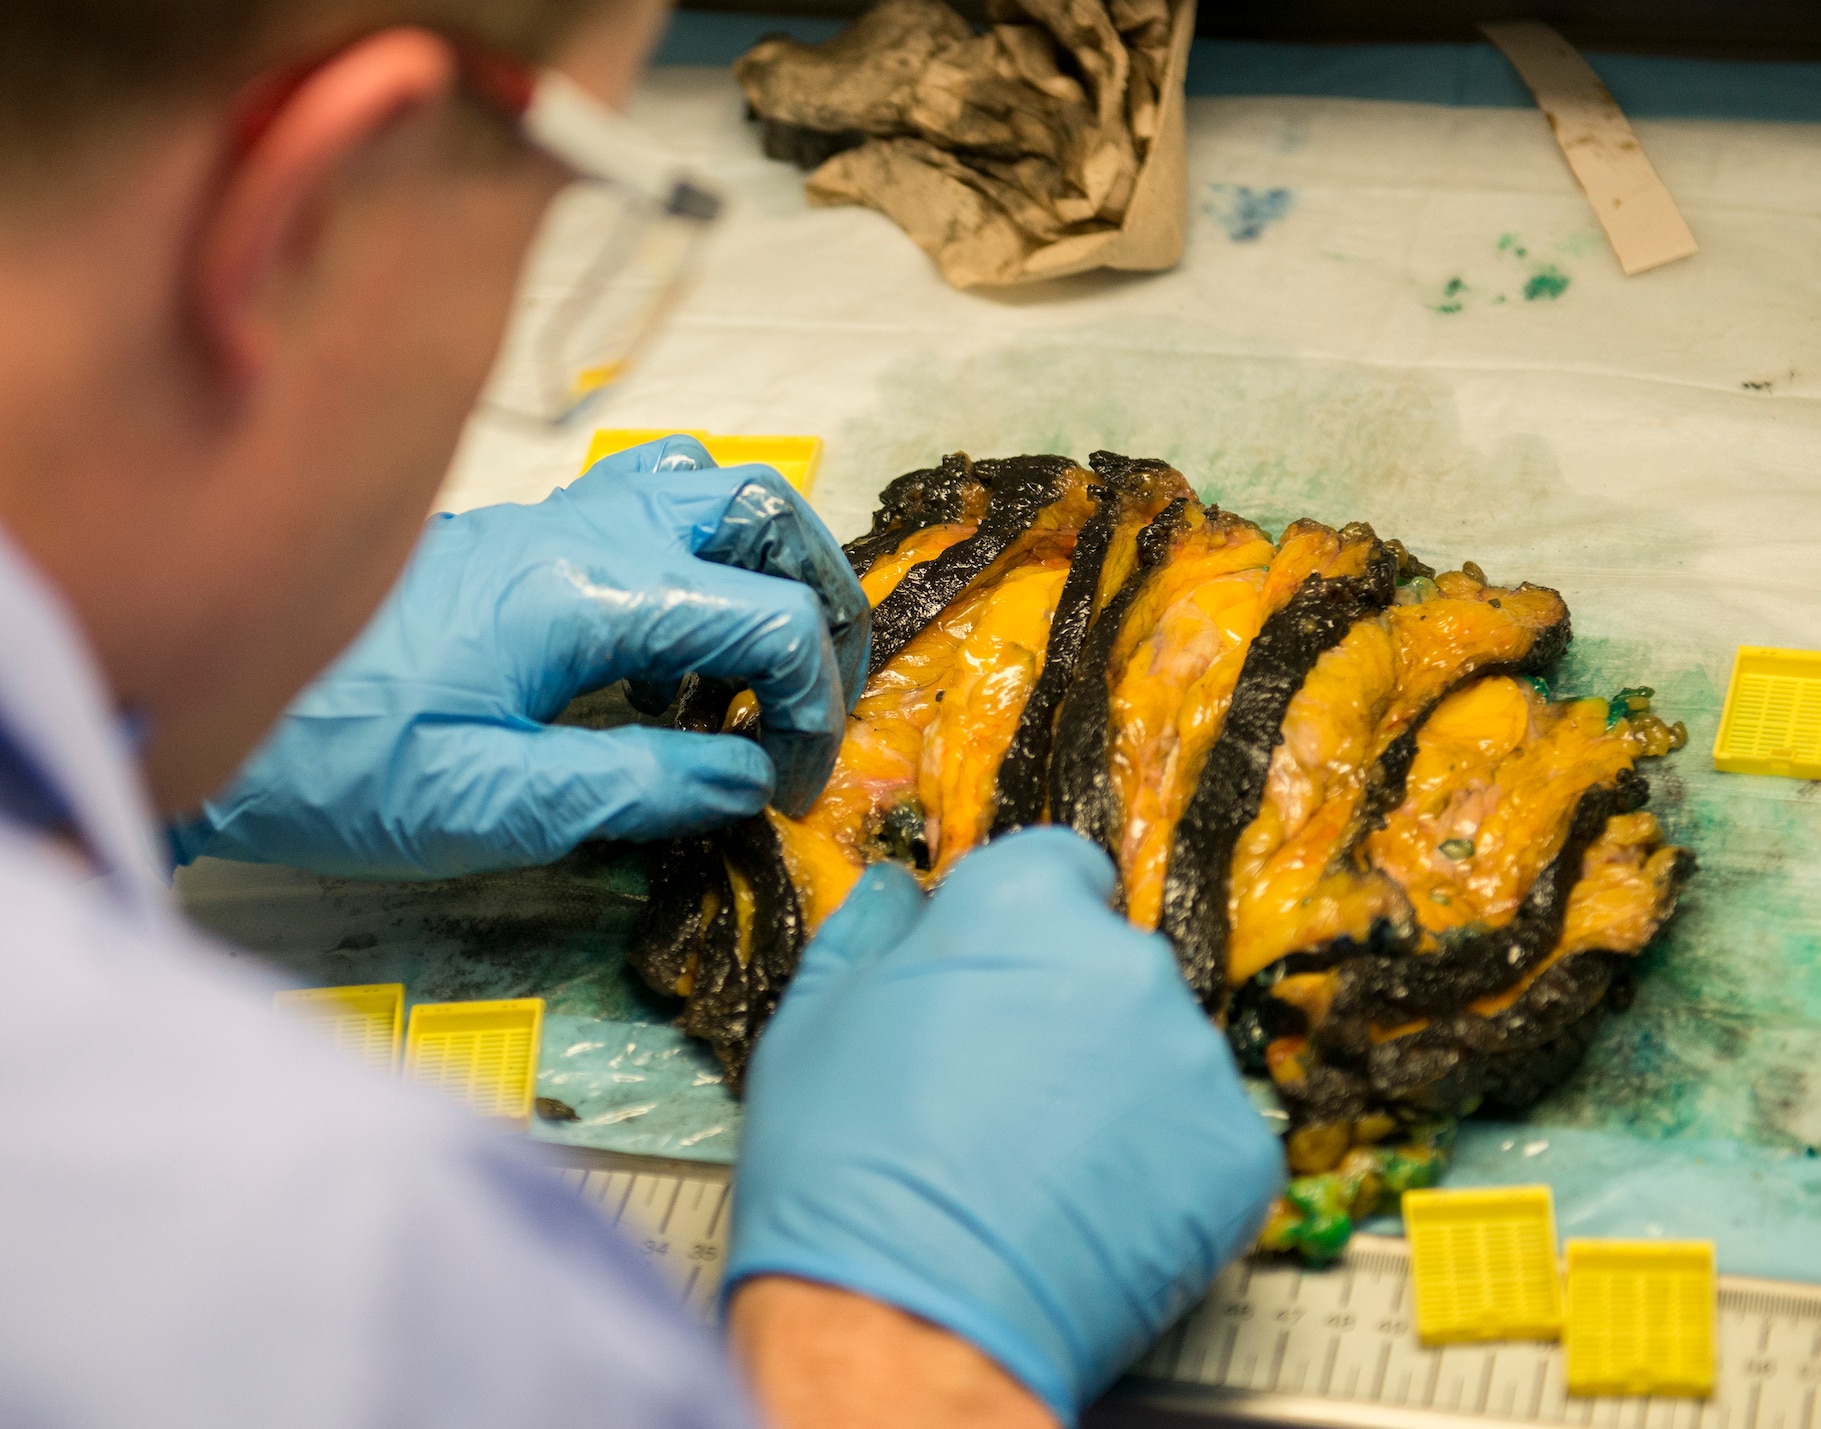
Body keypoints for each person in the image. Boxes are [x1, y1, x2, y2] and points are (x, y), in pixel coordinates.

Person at [0, 2, 1282, 1426]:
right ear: (306, 219)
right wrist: (886, 1355)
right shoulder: (316, 1266)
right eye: (564, 213)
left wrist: (128, 733)